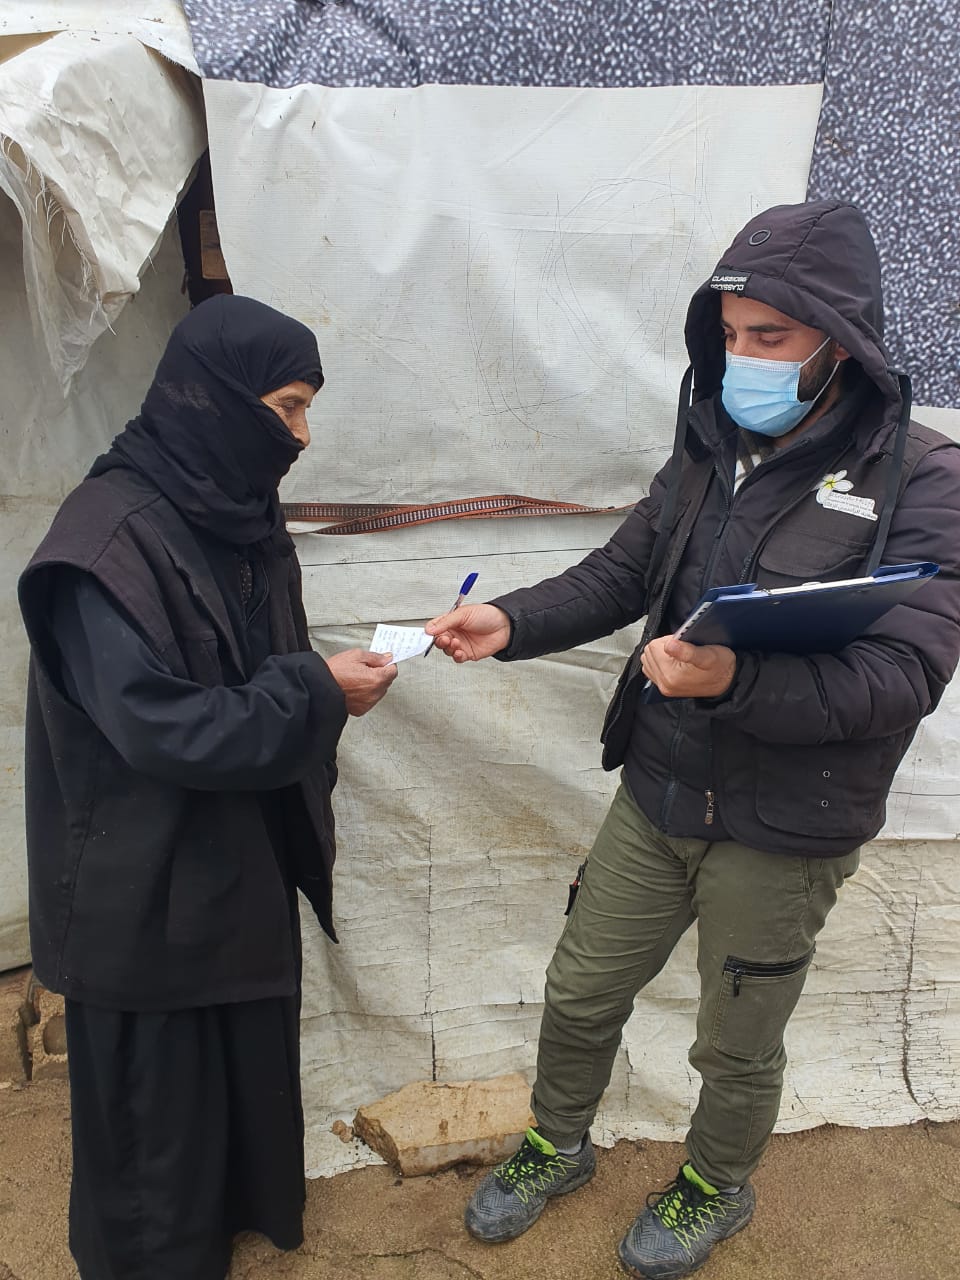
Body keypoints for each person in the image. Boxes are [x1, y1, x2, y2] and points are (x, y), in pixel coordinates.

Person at [425, 199, 960, 1279]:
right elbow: (623, 572)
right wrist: (511, 620)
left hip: (788, 825)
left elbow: (902, 677)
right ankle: (557, 1143)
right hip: (661, 784)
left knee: (736, 1038)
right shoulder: (712, 445)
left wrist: (736, 679)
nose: (743, 357)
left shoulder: (924, 478)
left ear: (841, 337)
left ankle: (717, 1182)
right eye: (730, 333)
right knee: (582, 989)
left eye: (772, 335)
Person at [17, 295, 397, 1280]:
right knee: (155, 1141)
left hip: (230, 873)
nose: (302, 437)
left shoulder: (232, 512)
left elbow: (258, 658)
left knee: (228, 1103)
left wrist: (317, 687)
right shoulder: (102, 546)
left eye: (308, 409)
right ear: (218, 399)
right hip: (143, 895)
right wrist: (318, 691)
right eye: (288, 407)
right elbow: (163, 726)